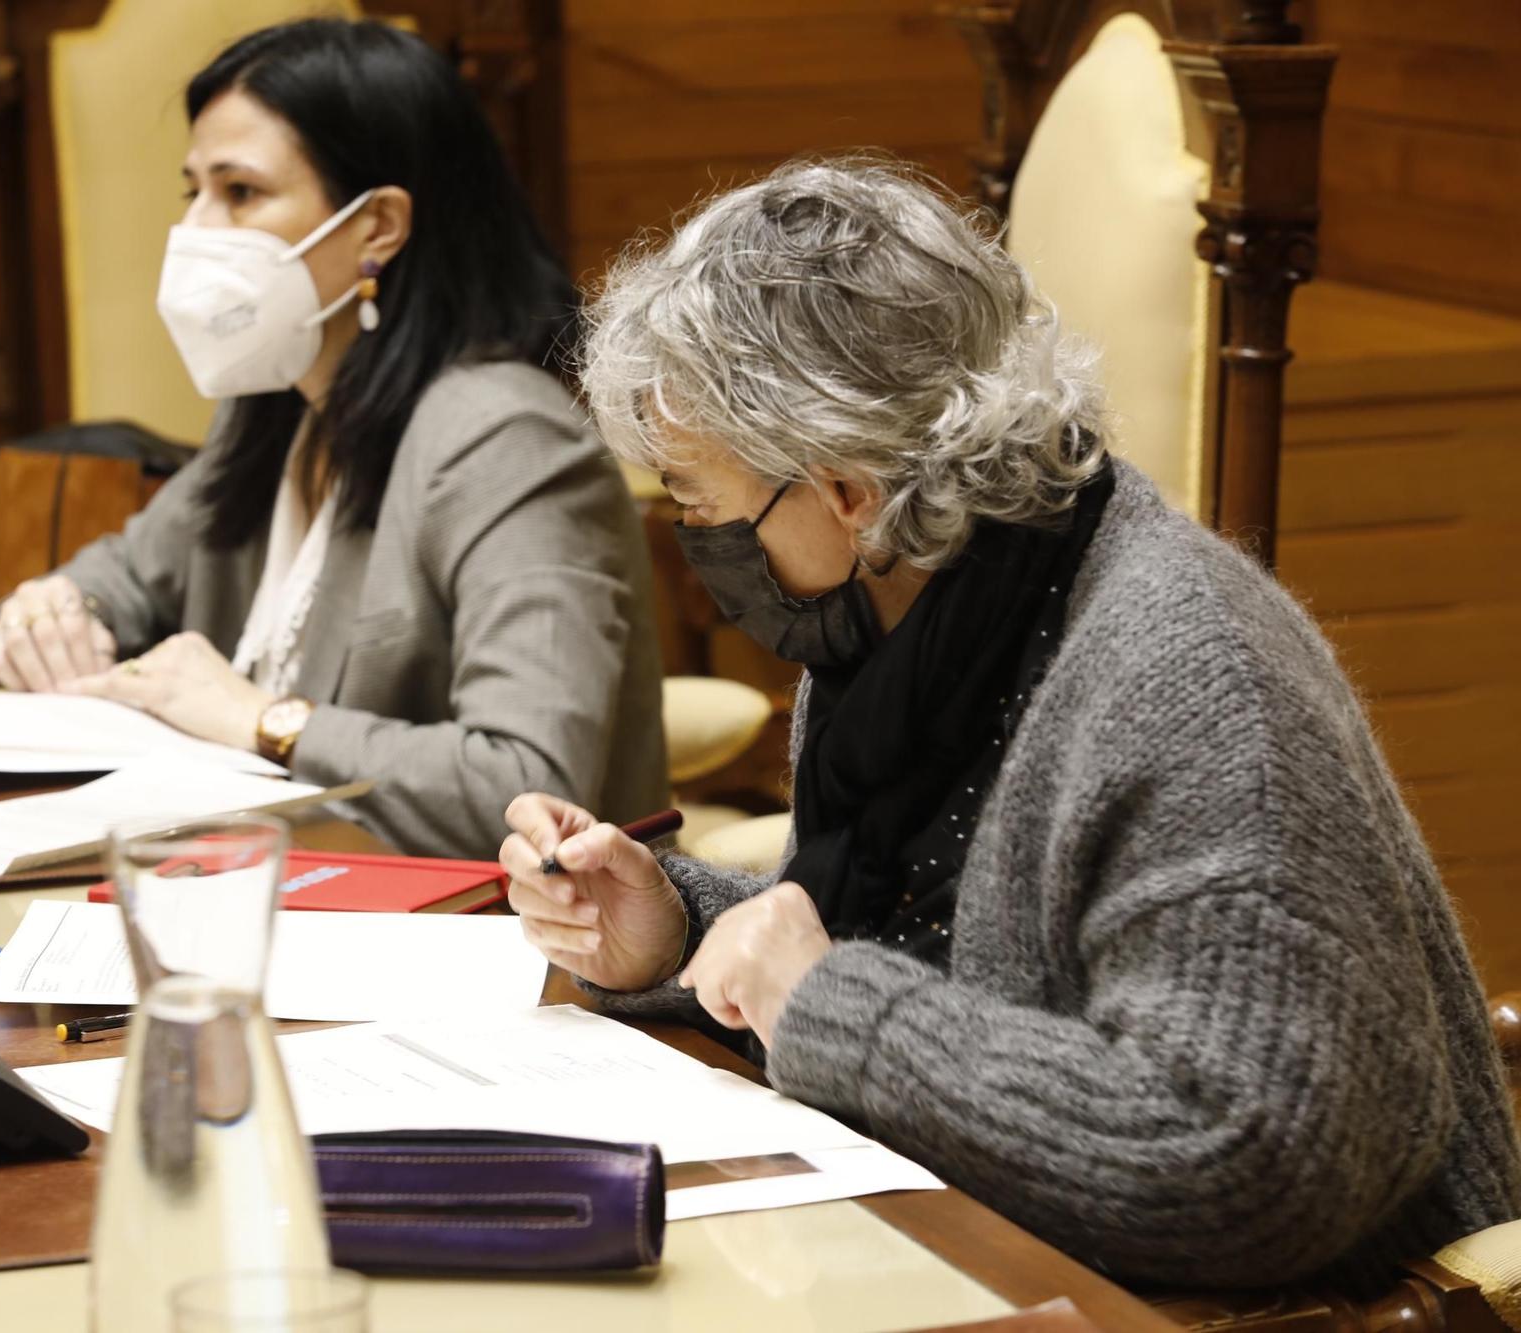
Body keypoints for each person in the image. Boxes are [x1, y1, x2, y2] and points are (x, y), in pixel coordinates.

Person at [500, 158, 1521, 1292]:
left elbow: (1244, 1166)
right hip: (997, 1253)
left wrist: (833, 1011)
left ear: (843, 487)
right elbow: (926, 957)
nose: (690, 534)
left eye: (696, 498)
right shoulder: (910, 612)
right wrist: (674, 931)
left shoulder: (1184, 673)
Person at [0, 18, 665, 858]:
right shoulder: (278, 401)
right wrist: (55, 610)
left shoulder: (505, 438)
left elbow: (525, 783)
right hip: (283, 891)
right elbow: (126, 573)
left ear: (377, 225)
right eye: (191, 190)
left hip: (492, 945)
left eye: (240, 193)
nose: (198, 230)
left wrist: (262, 720)